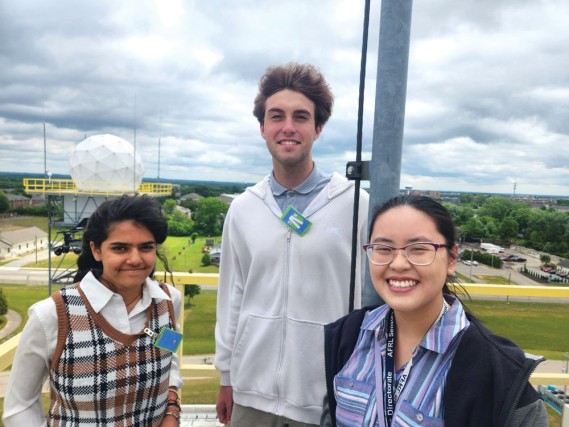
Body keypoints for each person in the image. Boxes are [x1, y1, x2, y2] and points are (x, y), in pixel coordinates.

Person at [214, 62, 369, 426]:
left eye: (301, 117)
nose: (288, 127)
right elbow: (232, 295)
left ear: (317, 129)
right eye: (276, 116)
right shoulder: (243, 208)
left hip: (328, 397)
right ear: (263, 128)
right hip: (251, 394)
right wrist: (226, 377)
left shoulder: (356, 204)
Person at [321, 195, 547, 426]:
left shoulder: (500, 375)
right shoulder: (348, 336)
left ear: (451, 259)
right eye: (384, 248)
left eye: (419, 249)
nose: (398, 264)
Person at [3, 194, 183, 427]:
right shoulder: (52, 315)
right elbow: (20, 407)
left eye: (146, 247)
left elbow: (168, 357)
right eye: (120, 248)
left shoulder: (169, 302)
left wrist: (171, 409)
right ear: (96, 250)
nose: (135, 259)